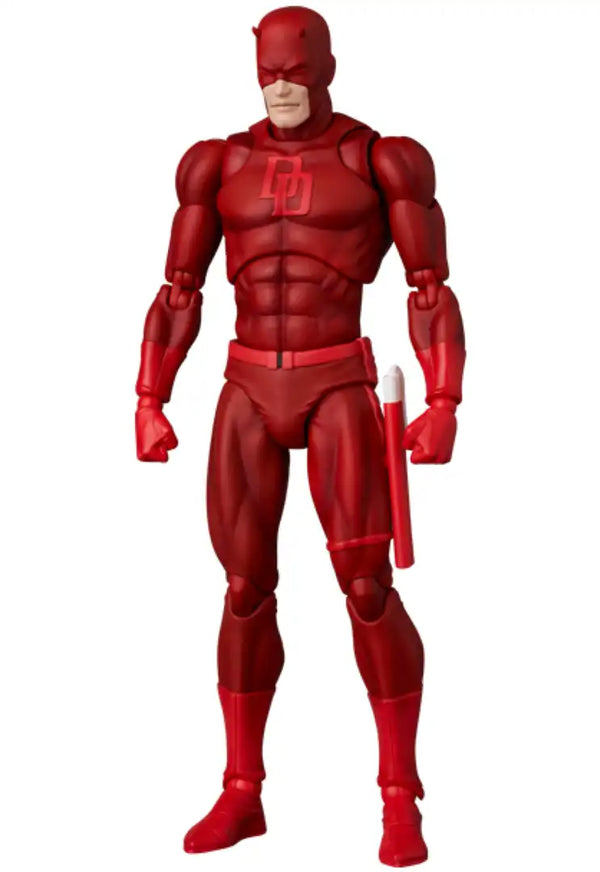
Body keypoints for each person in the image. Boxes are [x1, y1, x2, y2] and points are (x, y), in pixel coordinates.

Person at [135, 6, 465, 867]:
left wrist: (443, 401)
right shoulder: (218, 164)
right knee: (244, 589)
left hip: (339, 384)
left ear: (326, 68)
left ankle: (399, 796)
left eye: (297, 71)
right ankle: (242, 791)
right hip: (247, 385)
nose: (282, 88)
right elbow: (178, 290)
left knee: (367, 588)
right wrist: (149, 395)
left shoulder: (380, 158)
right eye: (269, 73)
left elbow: (429, 288)